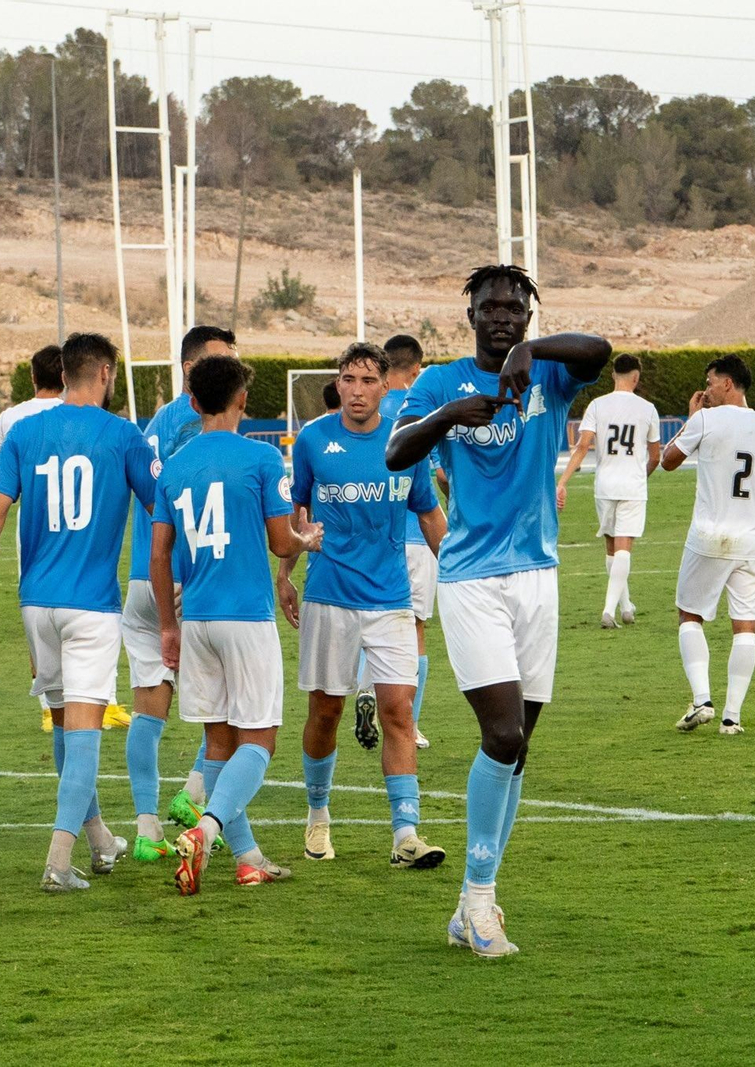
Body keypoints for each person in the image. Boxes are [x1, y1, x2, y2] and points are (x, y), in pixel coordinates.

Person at [389, 263, 610, 957]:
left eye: (516, 307)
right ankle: (481, 901)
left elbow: (599, 349)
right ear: (471, 316)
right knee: (504, 735)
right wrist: (448, 415)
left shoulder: (547, 375)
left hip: (539, 576)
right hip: (471, 578)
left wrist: (534, 352)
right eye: (491, 306)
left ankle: (469, 906)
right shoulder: (439, 384)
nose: (503, 314)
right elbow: (397, 453)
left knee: (520, 751)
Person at [0, 332, 158, 890]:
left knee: (65, 725)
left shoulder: (24, 432)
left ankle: (97, 840)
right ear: (106, 374)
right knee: (86, 731)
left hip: (35, 604)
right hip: (91, 605)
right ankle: (57, 862)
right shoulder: (123, 436)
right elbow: (160, 509)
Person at [153, 354, 323, 893]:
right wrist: (306, 541)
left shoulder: (175, 463)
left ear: (194, 402)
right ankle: (205, 830)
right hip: (246, 617)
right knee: (260, 740)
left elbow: (160, 555)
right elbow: (280, 541)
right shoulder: (261, 459)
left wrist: (167, 626)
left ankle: (248, 858)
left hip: (197, 618)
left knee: (220, 742)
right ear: (243, 401)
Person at [278, 342, 448, 869]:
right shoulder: (312, 440)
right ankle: (318, 815)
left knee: (398, 710)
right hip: (329, 597)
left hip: (391, 598)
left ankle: (406, 833)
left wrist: (467, 575)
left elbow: (429, 516)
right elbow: (294, 513)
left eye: (368, 381)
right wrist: (286, 573)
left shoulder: (405, 444)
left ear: (385, 386)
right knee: (325, 711)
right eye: (349, 379)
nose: (357, 390)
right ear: (339, 383)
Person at [122, 325, 237, 862]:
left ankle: (147, 831)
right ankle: (196, 797)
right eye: (223, 363)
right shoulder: (201, 424)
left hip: (143, 580)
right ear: (194, 369)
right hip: (189, 580)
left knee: (149, 710)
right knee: (236, 711)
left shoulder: (155, 422)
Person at [661, 356, 755, 736]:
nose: (705, 389)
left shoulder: (706, 419)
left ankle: (702, 698)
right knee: (746, 627)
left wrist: (691, 418)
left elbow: (667, 461)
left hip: (708, 534)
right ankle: (732, 717)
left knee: (689, 615)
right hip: (751, 541)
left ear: (727, 384)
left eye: (709, 381)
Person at [368, 332, 445, 750]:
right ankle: (408, 723)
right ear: (415, 370)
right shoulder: (420, 411)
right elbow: (439, 474)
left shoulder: (371, 412)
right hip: (417, 534)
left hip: (375, 538)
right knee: (414, 630)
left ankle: (366, 689)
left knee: (370, 622)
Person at [0, 345, 67, 733]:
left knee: (36, 613)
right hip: (79, 526)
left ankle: (46, 700)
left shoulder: (11, 417)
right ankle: (92, 699)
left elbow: (2, 483)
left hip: (33, 529)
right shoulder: (80, 416)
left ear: (34, 378)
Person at [556, 353, 661, 628]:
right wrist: (642, 474)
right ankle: (609, 610)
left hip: (604, 484)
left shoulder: (597, 405)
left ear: (613, 375)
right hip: (632, 485)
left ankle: (625, 607)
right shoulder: (648, 409)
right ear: (636, 378)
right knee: (624, 547)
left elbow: (582, 447)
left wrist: (563, 481)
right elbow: (656, 456)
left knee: (612, 547)